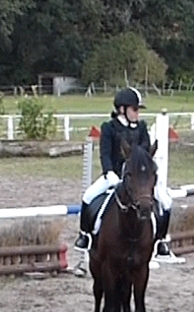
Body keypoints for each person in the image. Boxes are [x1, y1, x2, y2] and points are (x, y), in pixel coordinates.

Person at [74, 87, 174, 260]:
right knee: (88, 197)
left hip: (138, 178)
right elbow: (105, 154)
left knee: (166, 202)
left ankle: (161, 241)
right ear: (122, 109)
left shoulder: (141, 128)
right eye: (135, 109)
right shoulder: (109, 128)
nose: (138, 113)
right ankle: (85, 235)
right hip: (114, 175)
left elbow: (145, 153)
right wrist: (109, 172)